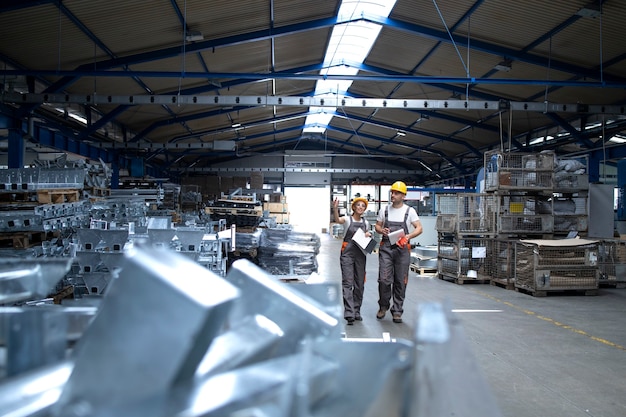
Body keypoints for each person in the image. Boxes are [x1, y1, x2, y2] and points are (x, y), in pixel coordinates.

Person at [374, 181, 422, 323]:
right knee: (384, 279)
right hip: (386, 249)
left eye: (396, 193)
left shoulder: (410, 211)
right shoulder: (384, 210)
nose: (393, 195)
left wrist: (408, 236)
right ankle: (383, 306)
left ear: (403, 195)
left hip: (402, 250)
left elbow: (419, 228)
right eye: (392, 192)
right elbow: (377, 225)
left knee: (401, 281)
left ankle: (397, 310)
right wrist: (381, 230)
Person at [333, 196, 371, 325]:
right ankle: (349, 313)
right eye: (358, 205)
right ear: (353, 207)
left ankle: (357, 311)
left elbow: (368, 241)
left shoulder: (366, 223)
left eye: (363, 206)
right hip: (347, 254)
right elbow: (338, 220)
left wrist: (368, 235)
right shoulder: (348, 220)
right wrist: (335, 208)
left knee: (360, 283)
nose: (361, 207)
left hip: (361, 254)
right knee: (348, 282)